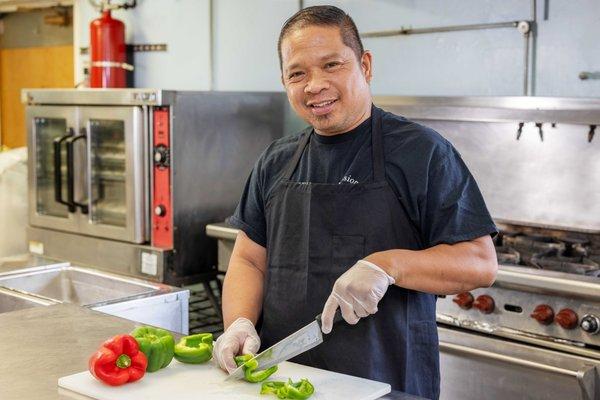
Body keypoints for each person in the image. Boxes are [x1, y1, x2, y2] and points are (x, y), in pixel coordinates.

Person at [213, 5, 498, 399]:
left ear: (365, 65)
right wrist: (240, 323)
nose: (314, 85)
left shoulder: (423, 153)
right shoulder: (275, 161)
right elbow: (247, 259)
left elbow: (480, 263)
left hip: (386, 383)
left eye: (331, 65)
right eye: (298, 73)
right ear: (284, 81)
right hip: (284, 383)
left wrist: (387, 265)